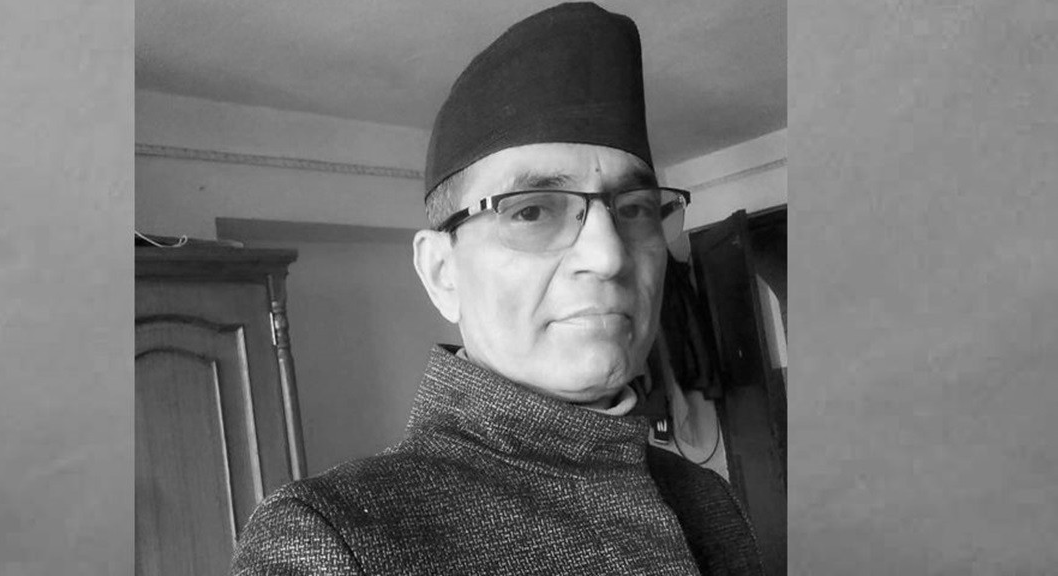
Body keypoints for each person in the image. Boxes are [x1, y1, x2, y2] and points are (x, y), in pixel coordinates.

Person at [231, 3, 763, 575]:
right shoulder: (332, 539)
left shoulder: (710, 501)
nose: (609, 256)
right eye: (532, 211)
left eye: (634, 209)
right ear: (442, 272)